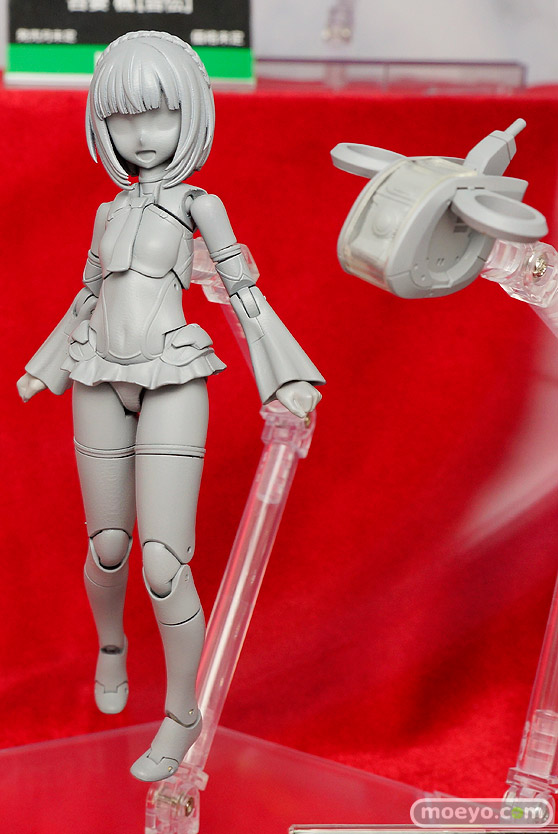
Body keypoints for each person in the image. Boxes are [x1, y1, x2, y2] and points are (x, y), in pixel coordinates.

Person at [17, 30, 324, 782]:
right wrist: (45, 362)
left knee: (162, 561)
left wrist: (283, 373)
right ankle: (112, 645)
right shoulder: (106, 212)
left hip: (174, 372)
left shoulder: (199, 205)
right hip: (97, 373)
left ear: (191, 113)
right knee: (108, 546)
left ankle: (182, 711)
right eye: (123, 117)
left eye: (159, 113)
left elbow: (244, 291)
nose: (142, 134)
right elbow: (87, 296)